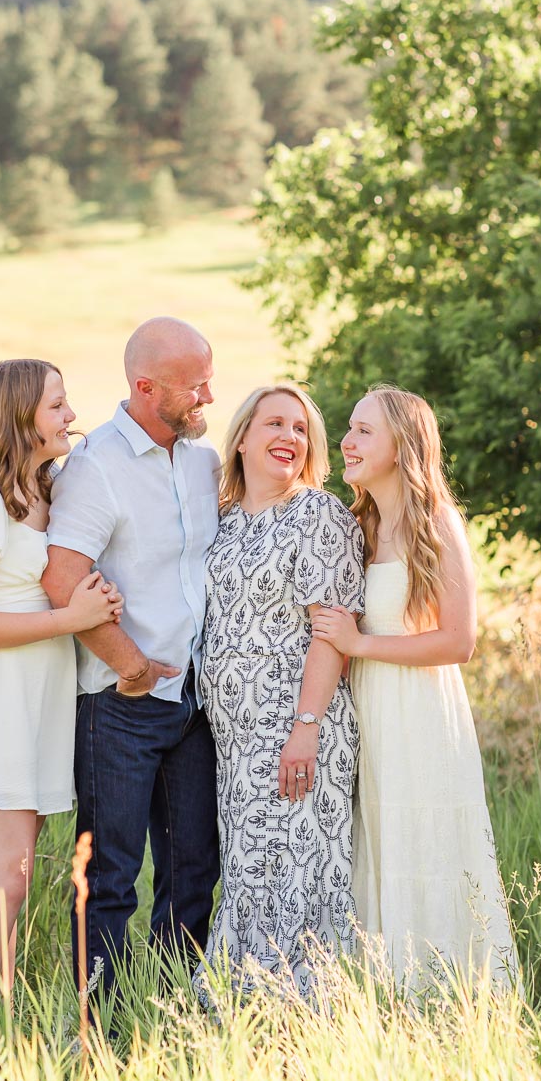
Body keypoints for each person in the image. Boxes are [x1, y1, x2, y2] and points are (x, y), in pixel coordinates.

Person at [0, 358, 123, 1008]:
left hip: (36, 701)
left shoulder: (46, 490)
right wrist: (71, 618)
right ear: (19, 417)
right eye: (57, 406)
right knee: (2, 876)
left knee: (19, 874)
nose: (71, 416)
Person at [312, 384, 518, 991]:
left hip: (421, 711)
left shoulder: (437, 522)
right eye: (348, 428)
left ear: (403, 445)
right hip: (367, 713)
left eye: (364, 431)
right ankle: (386, 991)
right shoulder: (359, 525)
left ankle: (448, 992)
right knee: (377, 845)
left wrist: (362, 645)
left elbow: (459, 641)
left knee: (425, 840)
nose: (346, 442)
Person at [43, 317, 221, 1004]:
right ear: (147, 388)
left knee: (193, 870)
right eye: (195, 385)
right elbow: (63, 578)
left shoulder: (203, 462)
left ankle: (174, 1013)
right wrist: (133, 665)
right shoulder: (96, 468)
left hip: (193, 706)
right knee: (111, 875)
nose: (209, 394)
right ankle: (102, 1029)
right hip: (119, 708)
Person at [193, 383, 364, 1002]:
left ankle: (307, 1010)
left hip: (299, 725)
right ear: (241, 438)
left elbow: (331, 633)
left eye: (299, 429)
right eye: (274, 424)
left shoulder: (318, 516)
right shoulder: (226, 521)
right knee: (248, 869)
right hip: (235, 737)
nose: (288, 437)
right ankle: (242, 1005)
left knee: (298, 865)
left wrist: (306, 726)